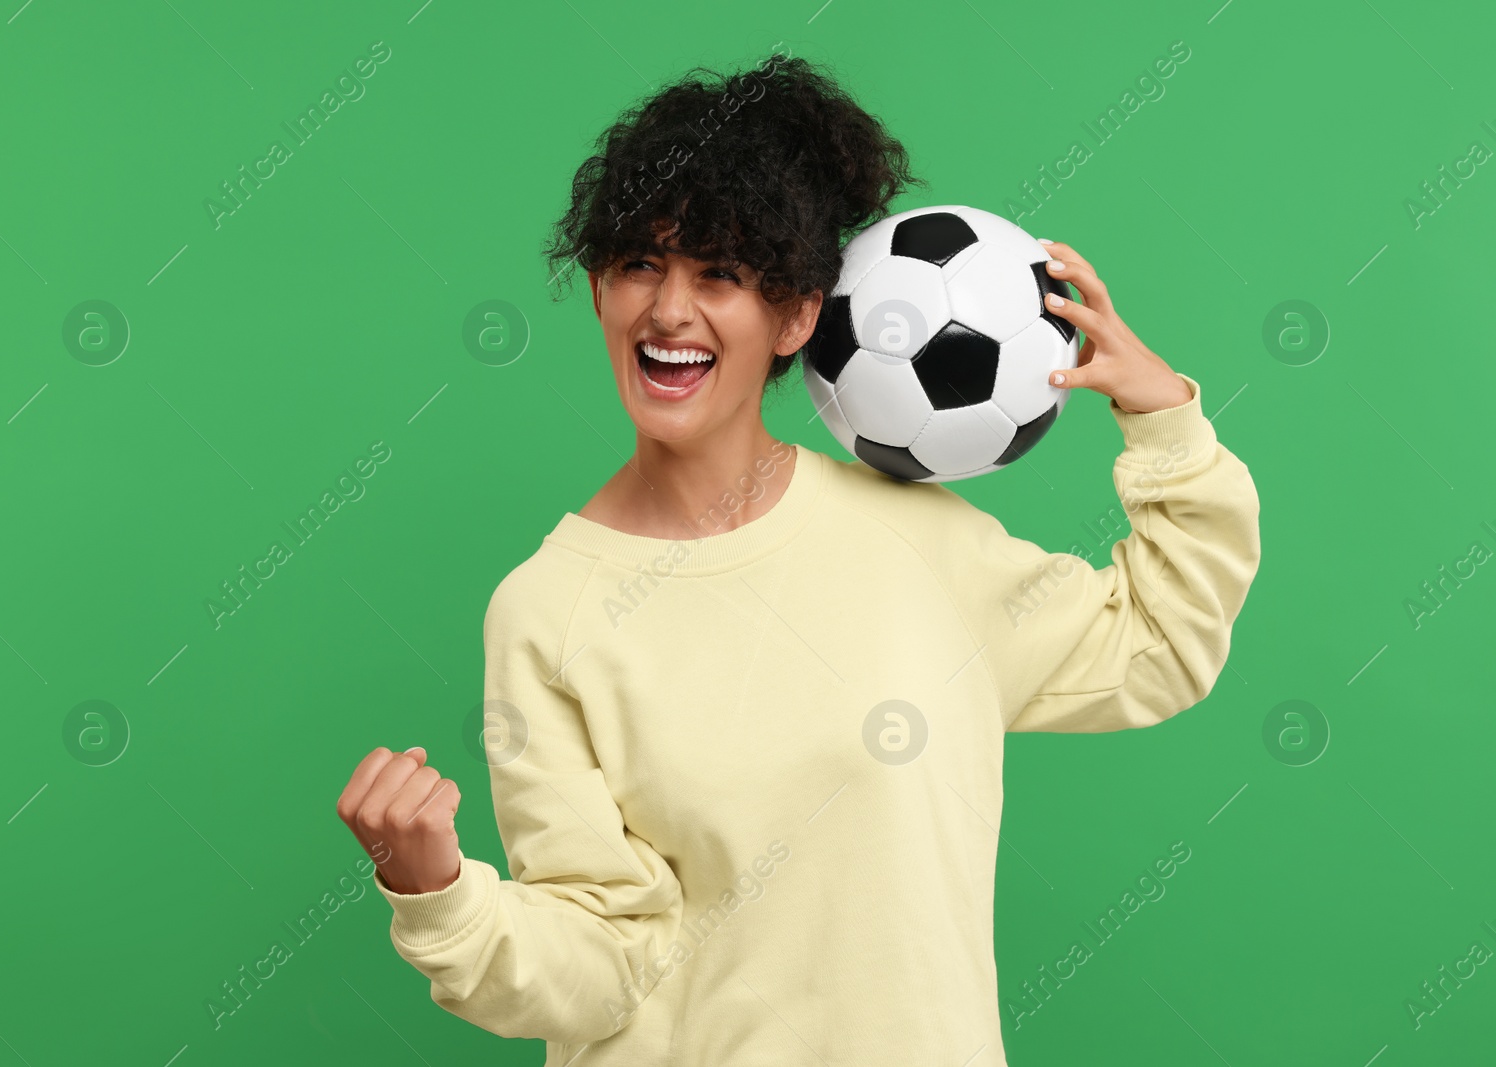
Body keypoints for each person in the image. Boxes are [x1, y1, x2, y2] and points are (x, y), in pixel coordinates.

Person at [335, 51, 1260, 1066]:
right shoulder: (549, 607)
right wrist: (439, 893)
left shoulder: (918, 540)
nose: (670, 312)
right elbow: (603, 962)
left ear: (797, 315)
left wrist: (1163, 420)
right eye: (641, 264)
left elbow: (1160, 645)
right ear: (599, 285)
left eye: (720, 274)